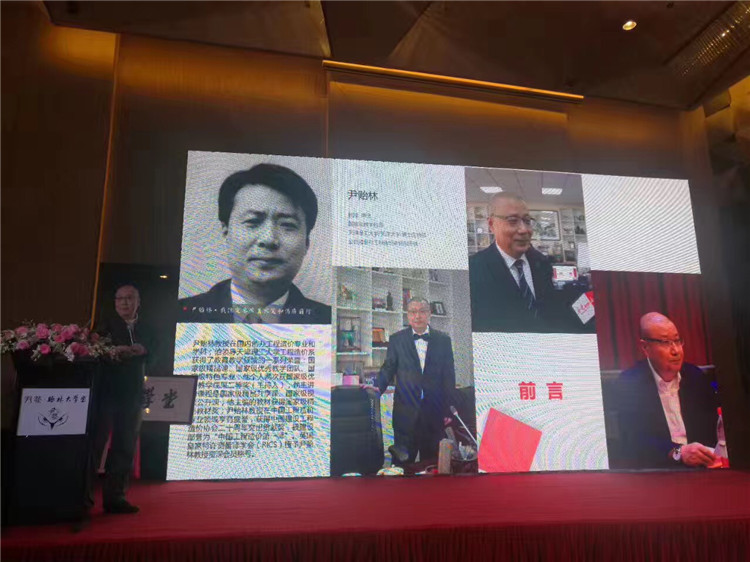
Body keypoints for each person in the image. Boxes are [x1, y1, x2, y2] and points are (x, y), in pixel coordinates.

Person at [178, 163, 331, 324]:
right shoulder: (181, 315)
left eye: (287, 225)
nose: (269, 239)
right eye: (253, 221)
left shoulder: (329, 321)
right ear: (226, 232)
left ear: (306, 242)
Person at [609, 312, 718, 470]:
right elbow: (634, 442)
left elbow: (712, 428)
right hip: (657, 471)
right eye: (666, 342)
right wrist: (678, 453)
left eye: (677, 341)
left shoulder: (695, 377)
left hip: (701, 467)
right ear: (645, 347)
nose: (676, 350)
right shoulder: (629, 384)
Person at [87, 284, 157, 517]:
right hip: (105, 394)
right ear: (115, 302)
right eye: (120, 299)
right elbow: (94, 352)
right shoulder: (104, 325)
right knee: (95, 445)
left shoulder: (147, 327)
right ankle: (82, 498)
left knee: (125, 447)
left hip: (133, 394)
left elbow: (157, 353)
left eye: (129, 298)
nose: (125, 303)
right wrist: (115, 351)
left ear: (138, 302)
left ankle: (116, 499)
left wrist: (143, 350)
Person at [469, 193, 584, 333]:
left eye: (527, 221)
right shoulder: (473, 270)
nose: (524, 230)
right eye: (512, 221)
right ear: (492, 225)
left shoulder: (542, 263)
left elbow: (550, 310)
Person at [375, 298, 456, 464]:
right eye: (413, 312)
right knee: (402, 463)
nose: (417, 316)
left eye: (422, 311)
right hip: (405, 413)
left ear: (429, 314)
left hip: (434, 412)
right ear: (408, 315)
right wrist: (376, 389)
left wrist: (448, 409)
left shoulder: (443, 340)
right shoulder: (397, 339)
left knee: (432, 463)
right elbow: (388, 368)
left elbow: (448, 376)